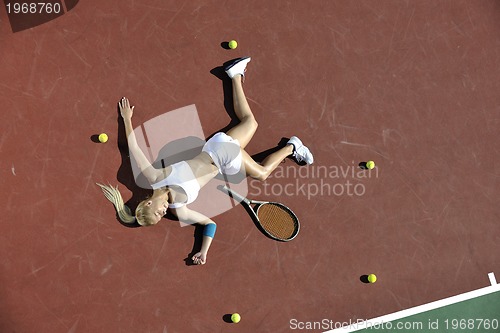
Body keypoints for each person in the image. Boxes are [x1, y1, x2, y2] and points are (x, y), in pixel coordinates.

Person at [97, 57, 313, 265]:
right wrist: (203, 251)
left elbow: (133, 148)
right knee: (250, 123)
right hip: (215, 148)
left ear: (148, 202)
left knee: (263, 172)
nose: (163, 213)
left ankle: (292, 147)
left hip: (224, 154)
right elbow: (209, 224)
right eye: (160, 218)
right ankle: (235, 74)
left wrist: (126, 119)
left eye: (157, 212)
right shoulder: (179, 209)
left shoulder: (156, 177)